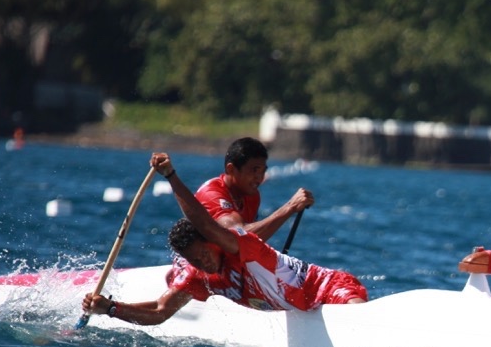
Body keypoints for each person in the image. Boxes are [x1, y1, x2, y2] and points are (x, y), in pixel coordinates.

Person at [81, 153, 367, 326]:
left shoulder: (239, 246)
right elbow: (159, 311)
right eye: (194, 260)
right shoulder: (200, 276)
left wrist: (170, 176)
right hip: (299, 308)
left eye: (203, 253)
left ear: (213, 241)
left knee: (360, 319)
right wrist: (110, 309)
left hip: (330, 288)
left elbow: (203, 221)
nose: (202, 262)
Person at [191, 136, 314, 240]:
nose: (259, 178)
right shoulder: (211, 193)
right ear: (231, 169)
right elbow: (239, 237)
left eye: (262, 172)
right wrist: (290, 207)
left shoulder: (252, 195)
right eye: (254, 171)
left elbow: (251, 244)